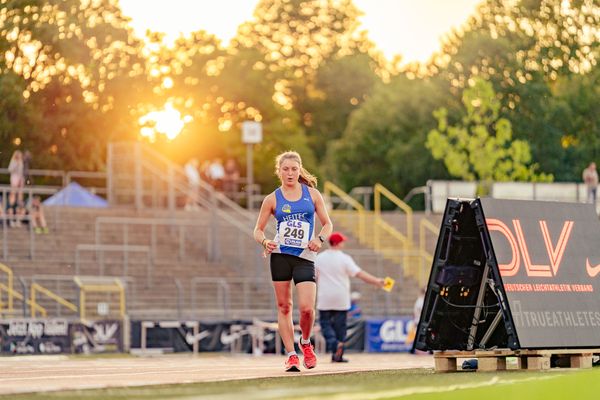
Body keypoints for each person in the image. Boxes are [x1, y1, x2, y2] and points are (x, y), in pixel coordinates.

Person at [253, 150, 333, 372]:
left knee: (307, 309)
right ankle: (291, 355)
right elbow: (257, 230)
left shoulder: (312, 195)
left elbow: (328, 224)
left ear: (300, 170)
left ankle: (305, 343)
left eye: (294, 169)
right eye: (285, 169)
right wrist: (265, 241)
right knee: (284, 306)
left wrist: (319, 238)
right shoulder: (272, 199)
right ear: (279, 172)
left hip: (305, 256)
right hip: (280, 255)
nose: (290, 173)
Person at [315, 232, 385, 363]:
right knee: (340, 326)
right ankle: (338, 351)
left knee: (325, 324)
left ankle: (333, 345)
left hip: (325, 297)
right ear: (338, 243)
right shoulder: (344, 258)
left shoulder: (319, 258)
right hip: (341, 298)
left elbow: (314, 276)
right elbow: (359, 274)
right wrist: (376, 281)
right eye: (342, 241)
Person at [7, 150, 24, 227]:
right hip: (14, 182)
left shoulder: (21, 162)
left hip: (20, 183)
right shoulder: (14, 162)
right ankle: (11, 220)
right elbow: (10, 170)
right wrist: (16, 164)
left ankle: (18, 220)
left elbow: (21, 173)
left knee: (19, 201)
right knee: (12, 200)